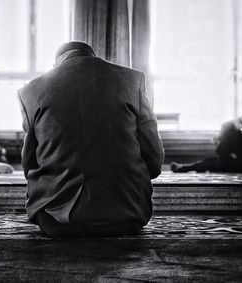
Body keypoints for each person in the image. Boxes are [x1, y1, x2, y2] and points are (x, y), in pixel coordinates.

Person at [18, 41, 164, 238]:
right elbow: (154, 162)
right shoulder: (132, 80)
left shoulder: (30, 92)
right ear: (93, 56)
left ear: (57, 64)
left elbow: (29, 166)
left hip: (55, 219)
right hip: (129, 213)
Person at [171, 87, 242, 173]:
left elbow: (227, 125)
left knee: (231, 133)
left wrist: (219, 138)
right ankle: (186, 167)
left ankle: (217, 154)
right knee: (223, 155)